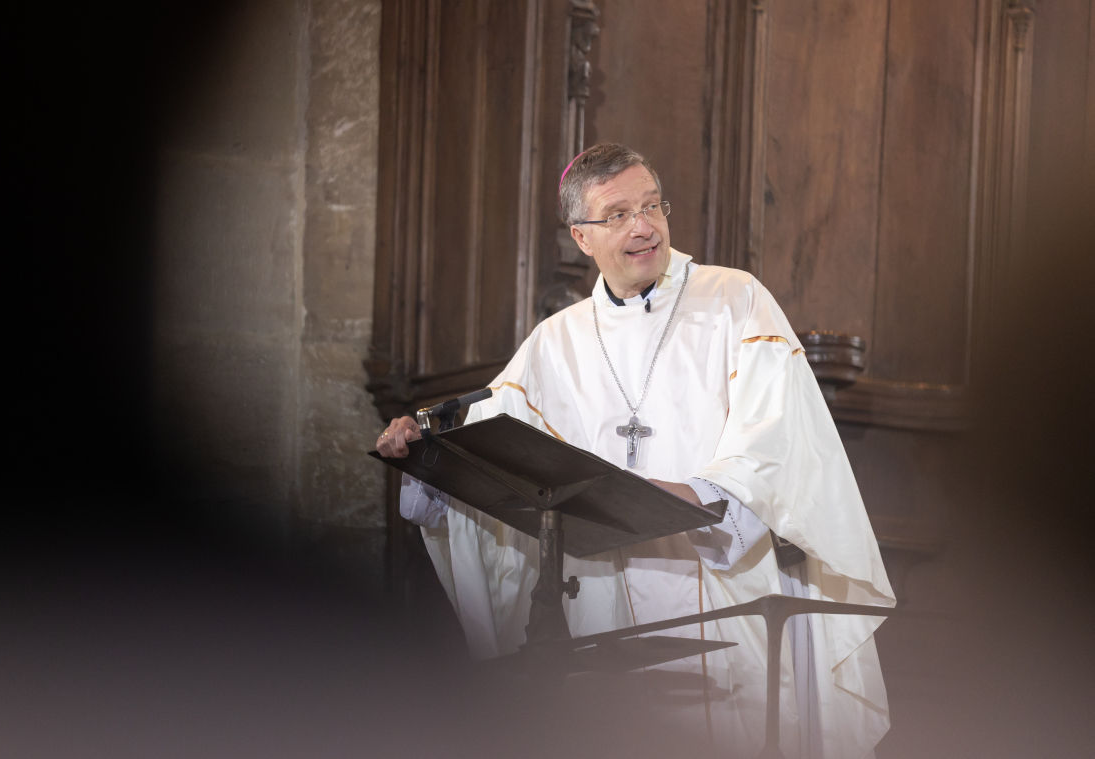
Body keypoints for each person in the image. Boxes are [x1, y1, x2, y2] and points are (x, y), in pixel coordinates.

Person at [375, 143, 895, 758]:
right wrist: (425, 457)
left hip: (722, 600)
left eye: (652, 205)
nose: (644, 226)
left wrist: (695, 496)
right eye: (618, 214)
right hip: (600, 612)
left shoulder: (736, 301)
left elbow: (781, 439)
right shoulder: (554, 344)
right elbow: (493, 463)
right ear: (581, 237)